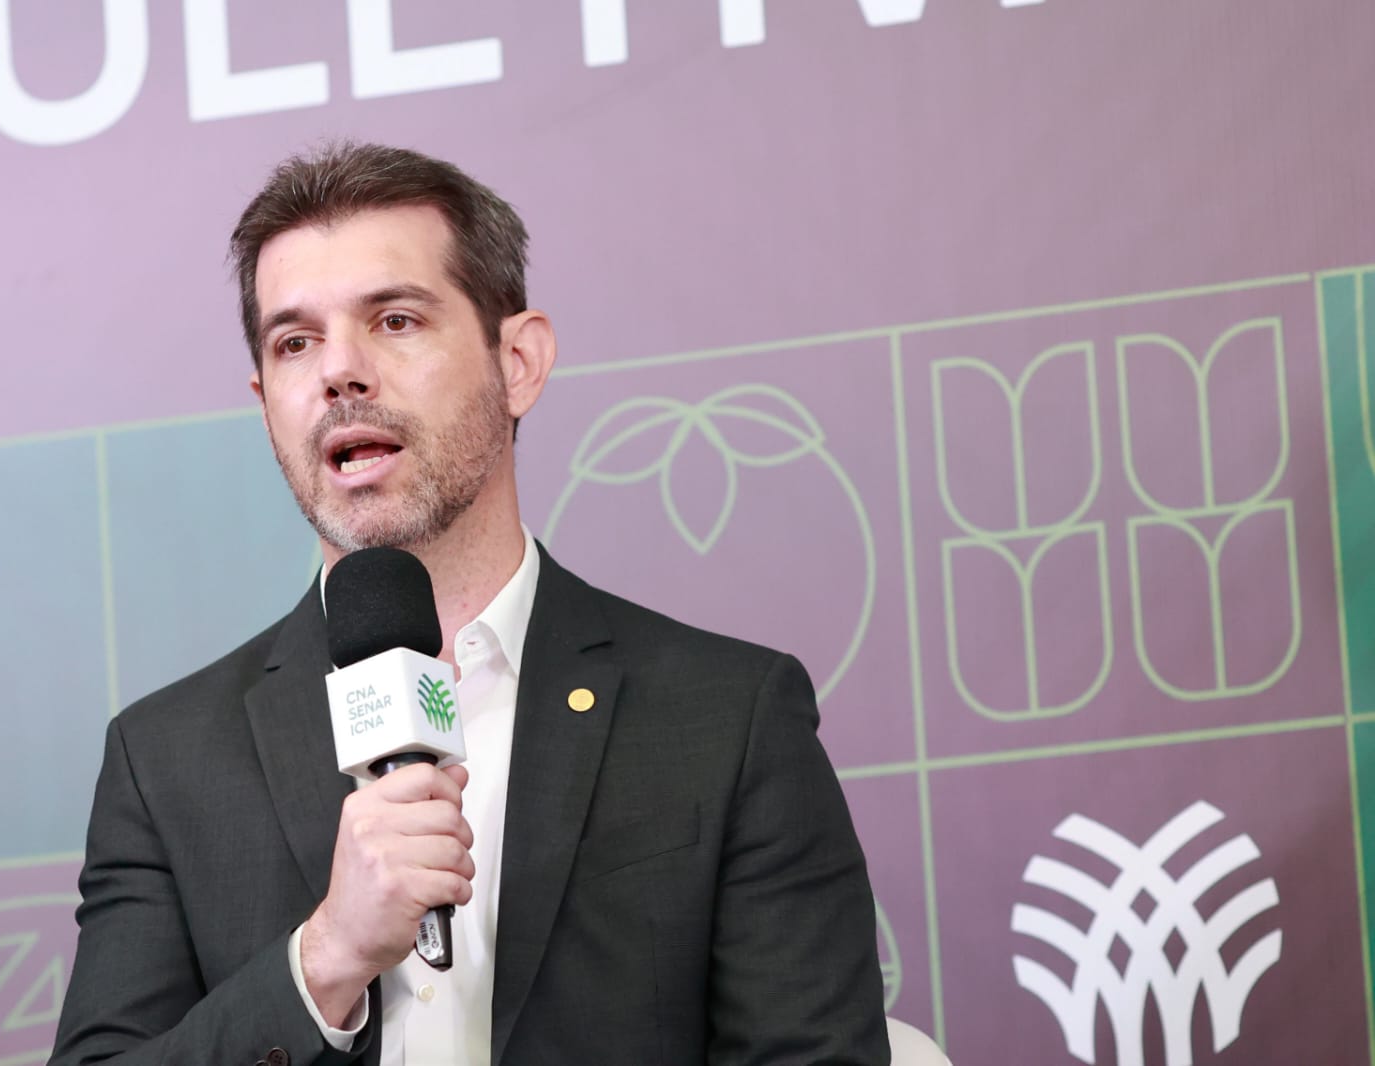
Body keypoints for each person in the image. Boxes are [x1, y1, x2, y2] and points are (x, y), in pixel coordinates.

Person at [49, 142, 888, 1065]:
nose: (340, 372)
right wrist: (323, 960)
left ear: (517, 361)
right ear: (265, 403)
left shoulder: (726, 717)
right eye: (296, 343)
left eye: (395, 320)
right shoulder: (165, 760)